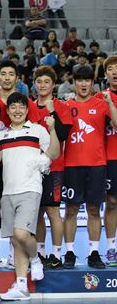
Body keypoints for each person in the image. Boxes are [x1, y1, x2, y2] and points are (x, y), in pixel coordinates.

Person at [0, 93, 58, 301]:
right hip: (8, 192)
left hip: (30, 188)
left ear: (27, 110)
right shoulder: (2, 135)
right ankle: (21, 286)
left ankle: (35, 258)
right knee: (15, 240)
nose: (17, 110)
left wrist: (53, 129)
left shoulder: (38, 131)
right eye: (13, 107)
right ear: (7, 111)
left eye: (21, 107)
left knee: (21, 234)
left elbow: (53, 154)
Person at [0, 61, 41, 269]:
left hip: (19, 164)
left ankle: (12, 253)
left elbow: (34, 130)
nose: (7, 77)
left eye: (11, 74)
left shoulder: (26, 103)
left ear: (17, 78)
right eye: (3, 74)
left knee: (15, 210)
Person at [62, 65, 117, 269]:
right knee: (71, 209)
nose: (83, 84)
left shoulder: (101, 104)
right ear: (74, 83)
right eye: (79, 80)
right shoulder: (65, 105)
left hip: (97, 165)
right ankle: (69, 253)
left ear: (92, 83)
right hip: (72, 164)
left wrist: (110, 103)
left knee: (94, 209)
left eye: (87, 80)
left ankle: (94, 252)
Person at [32, 66, 72, 269]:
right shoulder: (29, 107)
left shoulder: (61, 106)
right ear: (34, 84)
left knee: (53, 212)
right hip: (33, 169)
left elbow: (64, 134)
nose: (43, 85)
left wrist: (52, 112)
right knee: (37, 212)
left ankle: (57, 254)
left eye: (47, 82)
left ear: (53, 85)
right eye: (39, 82)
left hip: (55, 167)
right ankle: (40, 253)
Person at [100, 55, 117, 266]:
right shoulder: (99, 99)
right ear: (105, 75)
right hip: (109, 158)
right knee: (111, 203)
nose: (115, 72)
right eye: (111, 69)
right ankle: (111, 248)